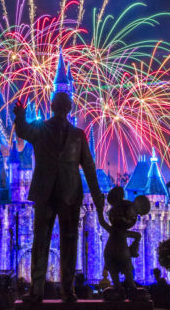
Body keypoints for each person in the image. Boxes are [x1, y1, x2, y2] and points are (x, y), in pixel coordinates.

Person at [14, 92, 105, 303]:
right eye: (59, 104)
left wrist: (97, 195)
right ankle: (36, 291)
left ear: (68, 108)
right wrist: (20, 116)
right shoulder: (40, 129)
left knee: (69, 242)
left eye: (64, 105)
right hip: (45, 192)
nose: (61, 108)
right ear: (54, 106)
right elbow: (23, 130)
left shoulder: (78, 135)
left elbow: (89, 168)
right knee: (40, 242)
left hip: (70, 194)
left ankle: (67, 290)